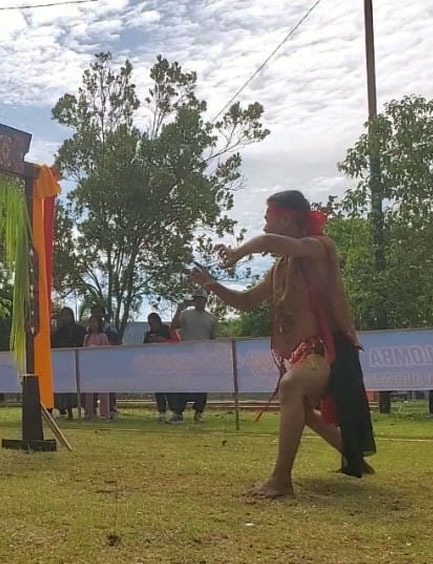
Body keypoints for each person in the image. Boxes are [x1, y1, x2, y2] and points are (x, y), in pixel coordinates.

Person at [192, 190, 376, 498]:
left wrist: (237, 252)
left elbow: (266, 242)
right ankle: (352, 452)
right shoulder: (281, 267)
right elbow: (249, 301)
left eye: (267, 220)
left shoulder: (319, 247)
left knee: (292, 387)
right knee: (301, 406)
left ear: (286, 218)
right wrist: (213, 286)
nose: (264, 228)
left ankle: (281, 480)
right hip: (309, 352)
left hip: (328, 350)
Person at [169, 289, 218, 423]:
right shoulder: (185, 314)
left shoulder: (211, 318)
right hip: (186, 355)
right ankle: (178, 412)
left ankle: (199, 412)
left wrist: (212, 356)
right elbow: (173, 327)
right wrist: (179, 309)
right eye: (195, 298)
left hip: (203, 356)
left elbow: (213, 338)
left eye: (200, 298)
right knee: (183, 384)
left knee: (202, 384)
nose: (198, 300)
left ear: (205, 300)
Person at [51, 307, 85, 420]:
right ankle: (64, 409)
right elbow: (54, 344)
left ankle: (74, 409)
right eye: (64, 315)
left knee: (73, 387)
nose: (66, 317)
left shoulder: (80, 329)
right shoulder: (60, 331)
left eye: (68, 315)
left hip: (75, 361)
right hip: (62, 362)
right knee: (63, 387)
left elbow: (82, 343)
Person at [143, 312, 178, 421]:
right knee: (158, 388)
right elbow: (144, 348)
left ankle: (174, 410)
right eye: (149, 322)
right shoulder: (148, 334)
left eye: (152, 322)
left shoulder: (166, 330)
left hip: (168, 363)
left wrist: (161, 341)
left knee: (170, 388)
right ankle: (161, 411)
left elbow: (176, 343)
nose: (151, 324)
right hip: (155, 364)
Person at [82, 315, 113, 420]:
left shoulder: (103, 336)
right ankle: (88, 413)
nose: (92, 324)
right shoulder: (87, 337)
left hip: (101, 367)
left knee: (103, 390)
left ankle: (105, 413)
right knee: (89, 391)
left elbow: (106, 351)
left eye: (94, 322)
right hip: (89, 367)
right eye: (90, 322)